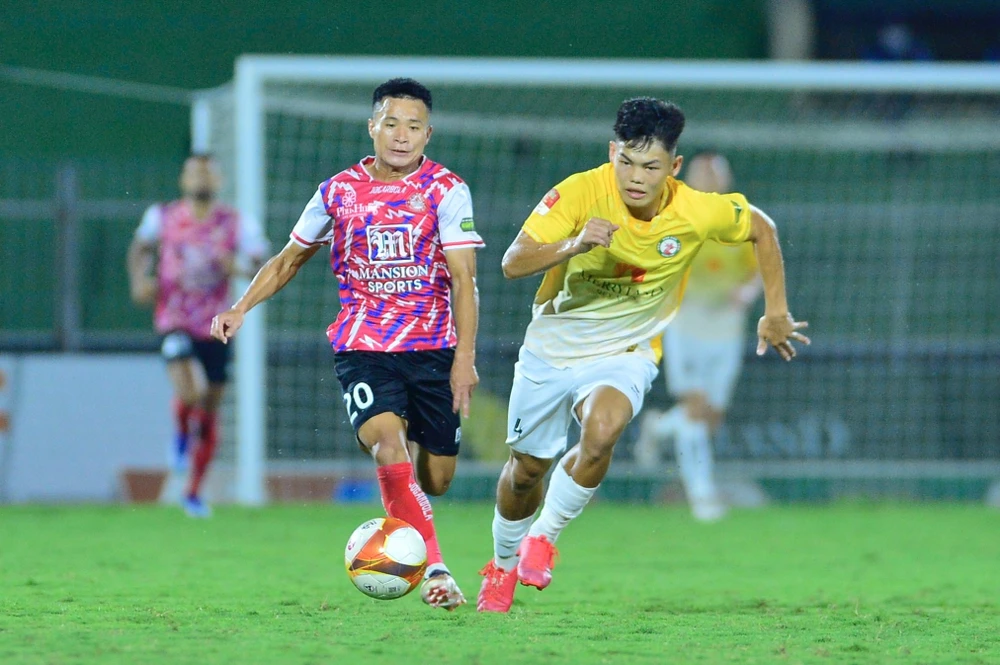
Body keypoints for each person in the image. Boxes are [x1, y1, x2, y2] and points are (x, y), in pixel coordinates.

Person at [476, 98, 809, 613]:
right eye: (625, 162)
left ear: (673, 168)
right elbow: (511, 262)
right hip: (552, 349)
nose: (635, 177)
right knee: (526, 471)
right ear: (612, 152)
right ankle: (499, 566)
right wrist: (573, 244)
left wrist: (776, 310)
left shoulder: (696, 209)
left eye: (650, 166)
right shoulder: (580, 191)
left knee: (604, 429)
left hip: (627, 350)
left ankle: (543, 538)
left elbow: (761, 227)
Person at [210, 78, 483, 611]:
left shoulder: (447, 189)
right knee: (387, 444)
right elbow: (290, 257)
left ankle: (413, 509)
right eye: (391, 124)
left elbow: (463, 278)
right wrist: (241, 307)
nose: (401, 136)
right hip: (362, 345)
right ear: (372, 127)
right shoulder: (338, 190)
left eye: (413, 127)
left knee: (439, 477)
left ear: (428, 133)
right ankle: (436, 568)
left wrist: (465, 359)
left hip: (433, 351)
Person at [127, 154, 269, 518]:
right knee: (192, 390)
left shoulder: (237, 222)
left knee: (209, 406)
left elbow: (261, 263)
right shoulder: (162, 217)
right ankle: (179, 432)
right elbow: (139, 249)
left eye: (207, 171)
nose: (200, 178)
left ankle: (192, 492)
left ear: (218, 180)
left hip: (217, 325)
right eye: (193, 171)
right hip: (175, 319)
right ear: (183, 179)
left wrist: (234, 267)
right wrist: (140, 280)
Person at [633, 152, 761, 522]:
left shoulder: (740, 223)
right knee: (694, 408)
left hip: (726, 328)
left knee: (709, 419)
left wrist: (747, 293)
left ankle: (658, 426)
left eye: (716, 175)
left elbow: (756, 271)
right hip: (685, 324)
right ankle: (702, 497)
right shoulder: (673, 217)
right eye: (702, 174)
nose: (709, 181)